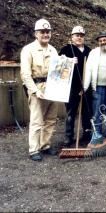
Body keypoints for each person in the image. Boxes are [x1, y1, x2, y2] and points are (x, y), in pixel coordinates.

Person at [20, 18, 59, 161]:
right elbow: (25, 74)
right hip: (37, 87)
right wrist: (35, 91)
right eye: (42, 32)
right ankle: (34, 149)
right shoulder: (28, 49)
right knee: (37, 120)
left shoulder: (53, 50)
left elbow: (58, 69)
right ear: (36, 33)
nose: (45, 34)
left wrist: (70, 63)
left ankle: (45, 145)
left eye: (48, 32)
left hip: (53, 87)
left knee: (50, 119)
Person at [59, 26, 92, 147]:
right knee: (70, 113)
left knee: (87, 112)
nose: (79, 37)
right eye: (77, 35)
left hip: (86, 87)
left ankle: (87, 134)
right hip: (71, 88)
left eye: (81, 35)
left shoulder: (89, 51)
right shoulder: (66, 49)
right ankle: (69, 137)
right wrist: (68, 61)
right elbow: (59, 66)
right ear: (72, 37)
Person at [83, 31, 106, 148]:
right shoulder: (93, 53)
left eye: (105, 40)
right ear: (98, 42)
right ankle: (96, 136)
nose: (103, 42)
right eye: (100, 40)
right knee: (97, 113)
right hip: (98, 87)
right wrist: (85, 87)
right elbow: (88, 71)